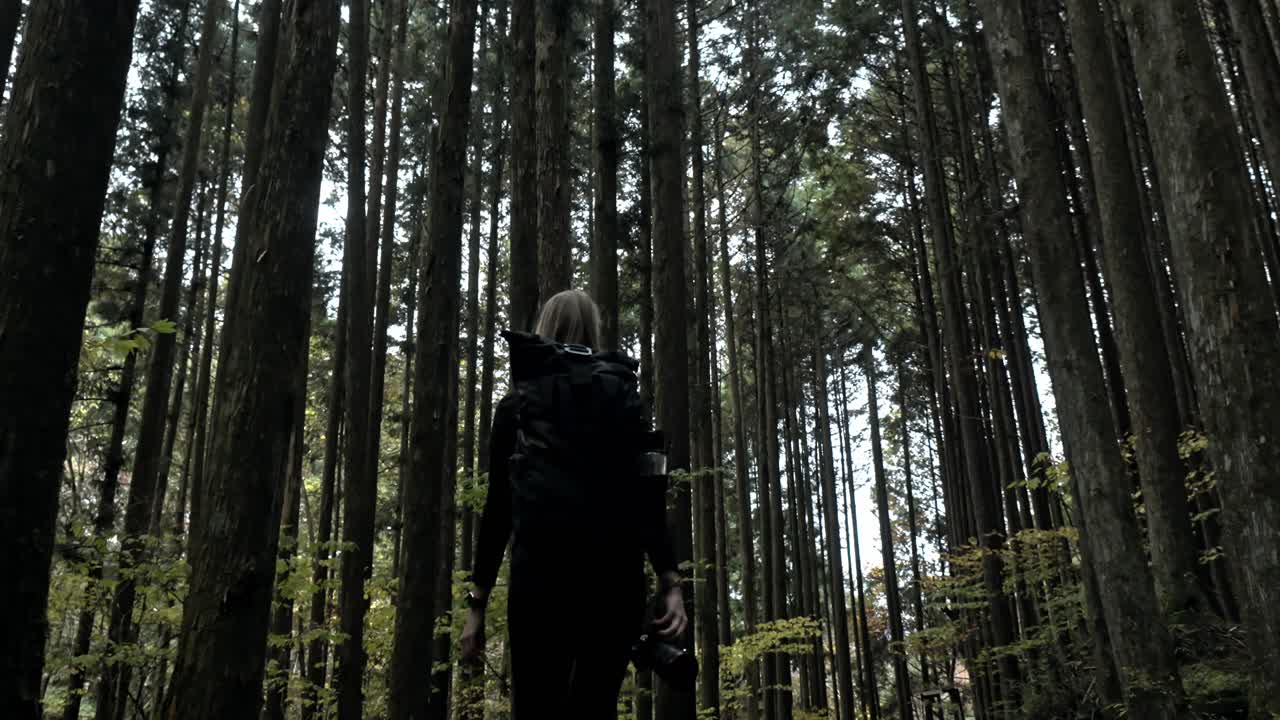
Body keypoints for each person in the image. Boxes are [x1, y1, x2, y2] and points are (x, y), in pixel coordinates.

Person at [460, 289, 688, 718]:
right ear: (594, 330)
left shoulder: (518, 405)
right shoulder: (623, 398)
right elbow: (646, 500)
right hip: (614, 587)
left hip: (540, 585)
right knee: (595, 707)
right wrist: (670, 581)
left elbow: (498, 510)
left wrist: (477, 604)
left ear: (545, 327)